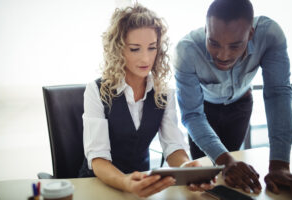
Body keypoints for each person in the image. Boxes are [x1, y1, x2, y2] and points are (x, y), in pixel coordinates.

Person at [78, 4, 212, 198]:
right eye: (135, 49)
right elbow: (98, 158)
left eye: (152, 48)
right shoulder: (96, 90)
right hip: (97, 186)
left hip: (143, 187)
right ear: (118, 49)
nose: (145, 58)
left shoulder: (164, 93)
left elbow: (173, 145)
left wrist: (186, 169)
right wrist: (125, 182)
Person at [174, 0, 292, 196]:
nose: (222, 55)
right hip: (203, 111)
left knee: (231, 177)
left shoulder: (270, 35)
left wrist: (279, 164)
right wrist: (225, 160)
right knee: (205, 180)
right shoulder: (186, 51)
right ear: (206, 30)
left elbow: (278, 94)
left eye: (235, 46)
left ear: (251, 35)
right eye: (213, 43)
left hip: (240, 106)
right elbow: (192, 115)